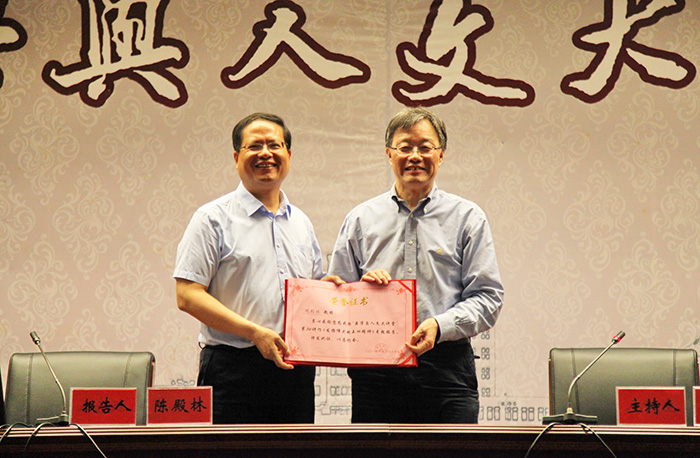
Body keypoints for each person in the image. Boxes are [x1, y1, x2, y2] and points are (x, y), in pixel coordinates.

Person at [328, 107, 504, 423]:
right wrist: (360, 292)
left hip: (447, 367)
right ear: (389, 154)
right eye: (405, 147)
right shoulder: (360, 219)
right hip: (377, 373)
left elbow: (488, 298)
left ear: (441, 154)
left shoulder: (467, 218)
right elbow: (336, 298)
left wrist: (439, 326)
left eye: (425, 147)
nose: (414, 156)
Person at [174, 112, 341, 424]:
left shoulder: (301, 222)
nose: (266, 153)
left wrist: (331, 290)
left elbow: (310, 290)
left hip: (294, 369)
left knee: (296, 449)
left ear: (288, 154)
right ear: (236, 157)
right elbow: (187, 295)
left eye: (274, 145)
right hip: (232, 369)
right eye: (254, 146)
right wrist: (253, 332)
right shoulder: (212, 218)